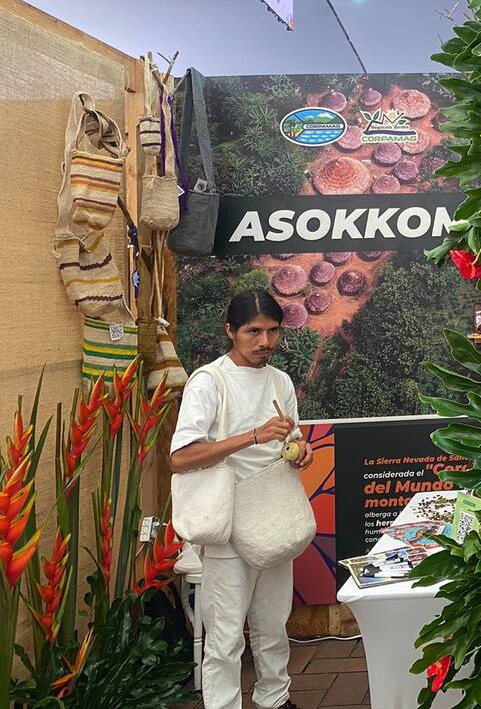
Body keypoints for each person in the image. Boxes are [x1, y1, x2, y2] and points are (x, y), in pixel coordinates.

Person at [170, 290, 314, 709]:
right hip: (228, 522)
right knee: (226, 634)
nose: (264, 341)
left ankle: (275, 699)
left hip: (273, 515)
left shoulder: (280, 381)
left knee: (273, 622)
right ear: (231, 331)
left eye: (272, 331)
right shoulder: (208, 381)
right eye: (253, 331)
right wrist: (252, 436)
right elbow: (180, 457)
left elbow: (290, 442)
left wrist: (300, 452)